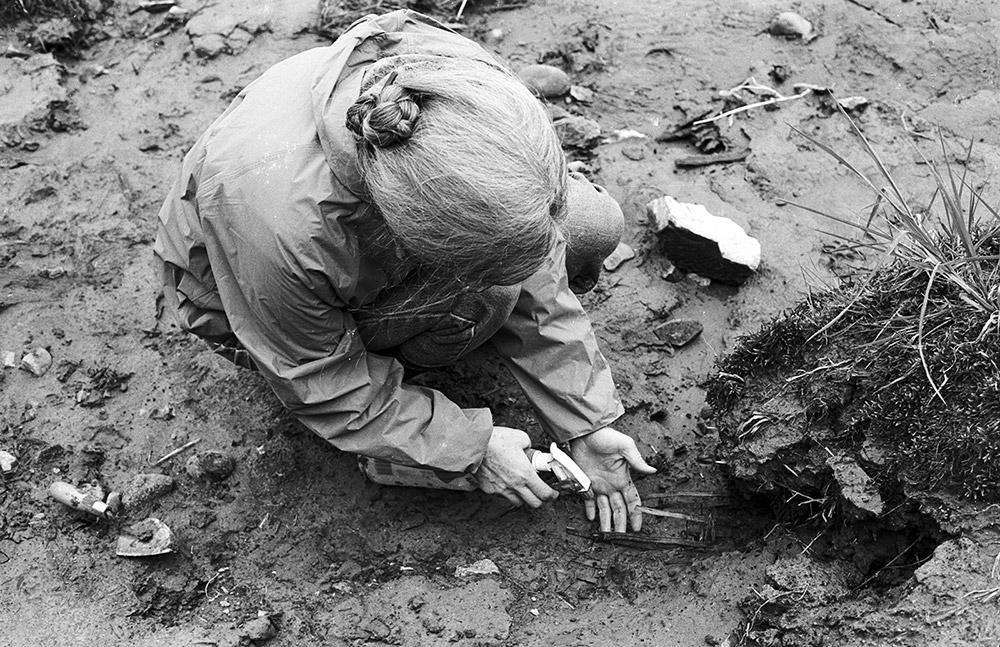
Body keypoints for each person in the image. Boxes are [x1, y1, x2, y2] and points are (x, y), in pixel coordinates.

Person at [154, 10, 656, 532]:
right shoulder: (285, 232)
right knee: (493, 298)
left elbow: (534, 250)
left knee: (586, 225)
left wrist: (586, 419)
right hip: (240, 296)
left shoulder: (469, 86)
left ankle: (449, 330)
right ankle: (399, 425)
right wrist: (470, 446)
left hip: (367, 225)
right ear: (417, 228)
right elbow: (323, 379)